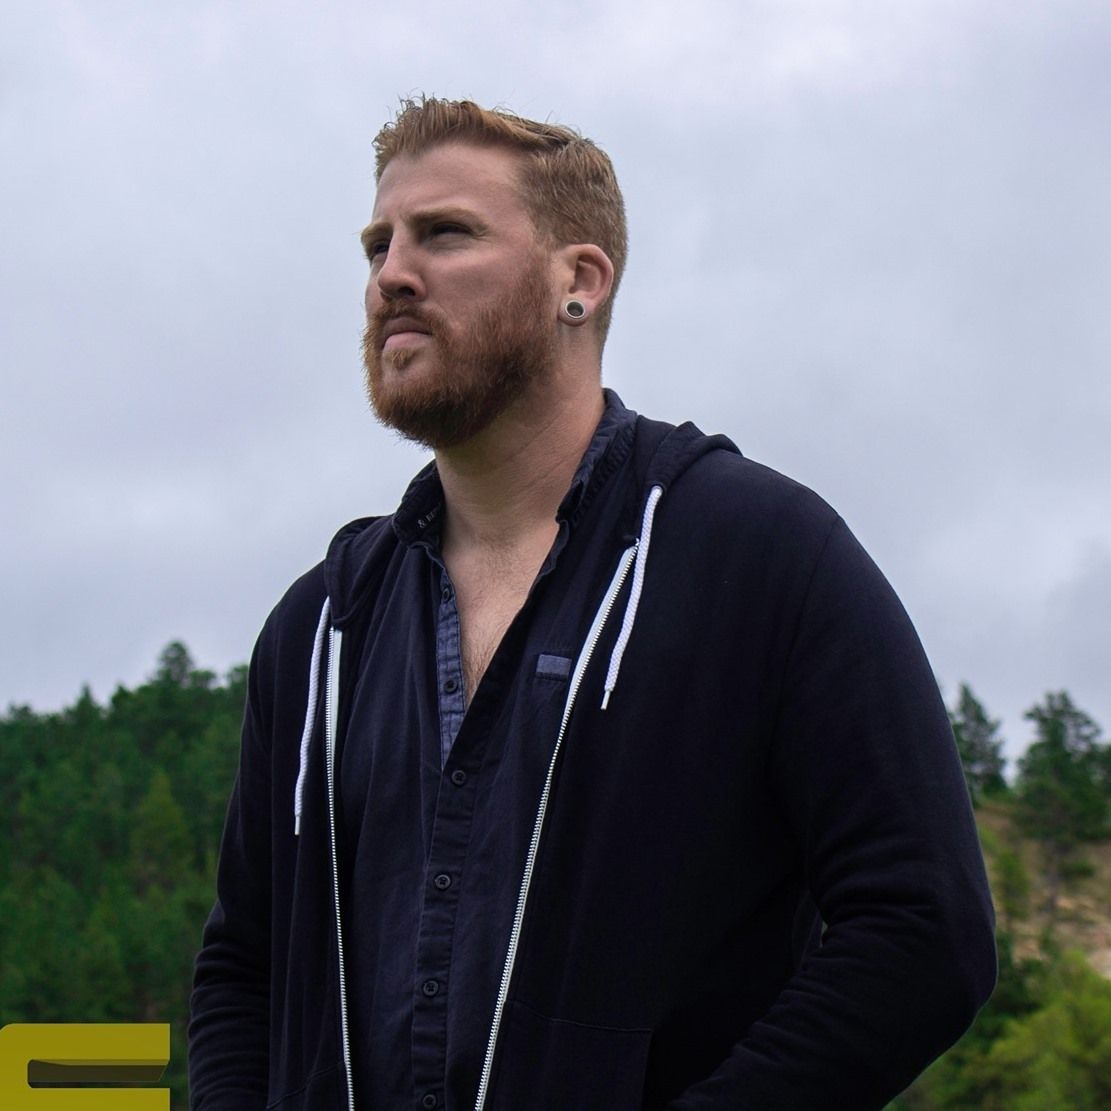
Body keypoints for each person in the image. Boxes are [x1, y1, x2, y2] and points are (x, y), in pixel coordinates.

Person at [188, 97, 996, 1111]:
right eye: (377, 244)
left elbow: (923, 932)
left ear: (579, 280)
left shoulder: (758, 555)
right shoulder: (321, 629)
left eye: (445, 233)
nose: (391, 274)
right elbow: (243, 969)